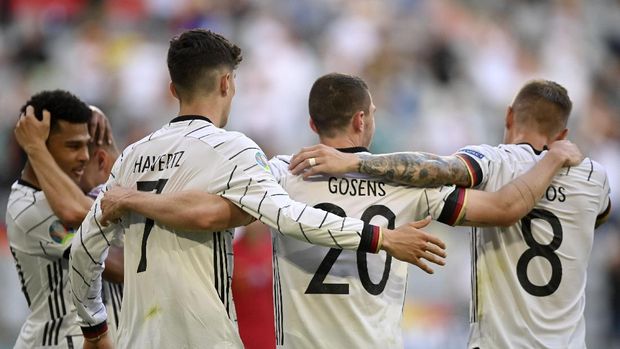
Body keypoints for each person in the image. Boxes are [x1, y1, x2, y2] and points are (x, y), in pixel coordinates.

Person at [99, 73, 582, 348]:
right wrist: (553, 157)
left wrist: (132, 197)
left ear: (311, 122)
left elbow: (211, 213)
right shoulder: (405, 184)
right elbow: (503, 208)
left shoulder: (279, 173)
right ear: (361, 120)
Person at [68, 29, 447, 349]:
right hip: (206, 337)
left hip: (138, 338)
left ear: (172, 87)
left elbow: (83, 251)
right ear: (225, 83)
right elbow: (289, 217)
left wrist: (95, 327)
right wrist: (381, 237)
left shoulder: (131, 158)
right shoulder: (231, 151)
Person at [289, 79, 612, 348]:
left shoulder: (493, 162)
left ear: (509, 116)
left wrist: (356, 162)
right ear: (563, 135)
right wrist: (555, 166)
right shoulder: (594, 179)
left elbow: (442, 172)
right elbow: (599, 217)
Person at [6, 90, 123, 349]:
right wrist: (33, 146)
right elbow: (119, 266)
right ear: (42, 147)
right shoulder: (28, 206)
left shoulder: (77, 194)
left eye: (86, 144)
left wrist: (109, 147)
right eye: (73, 146)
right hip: (60, 341)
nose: (84, 155)